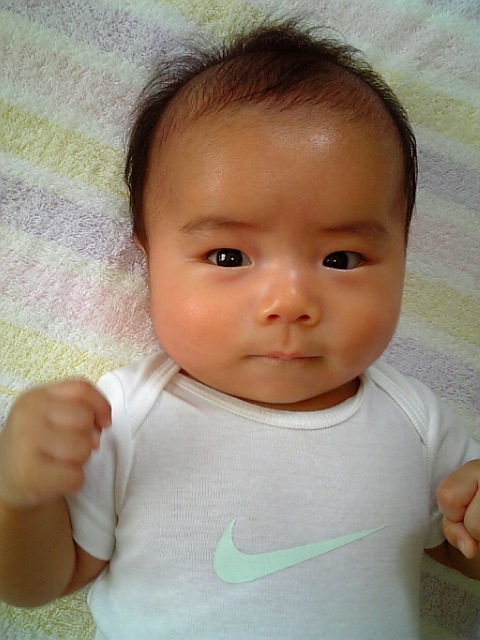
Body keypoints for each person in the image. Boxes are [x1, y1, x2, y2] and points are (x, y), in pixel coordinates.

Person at [0, 19, 479, 640]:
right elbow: (33, 586)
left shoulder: (420, 426)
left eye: (342, 259)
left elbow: (458, 554)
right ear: (148, 260)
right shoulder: (121, 419)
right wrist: (20, 495)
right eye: (228, 256)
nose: (290, 302)